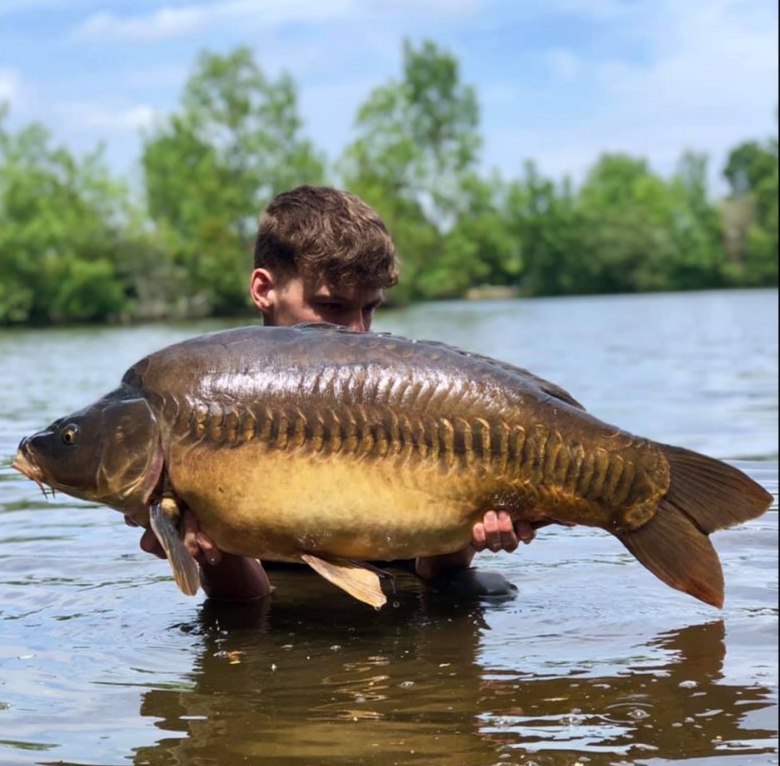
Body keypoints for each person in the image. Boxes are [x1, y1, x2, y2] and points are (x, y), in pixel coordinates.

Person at [137, 185, 537, 601]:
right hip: (287, 604)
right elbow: (246, 605)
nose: (358, 332)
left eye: (370, 309)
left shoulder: (410, 394)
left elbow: (436, 572)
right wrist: (208, 551)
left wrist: (473, 534)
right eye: (332, 307)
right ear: (263, 290)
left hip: (404, 592)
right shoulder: (208, 407)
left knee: (476, 591)